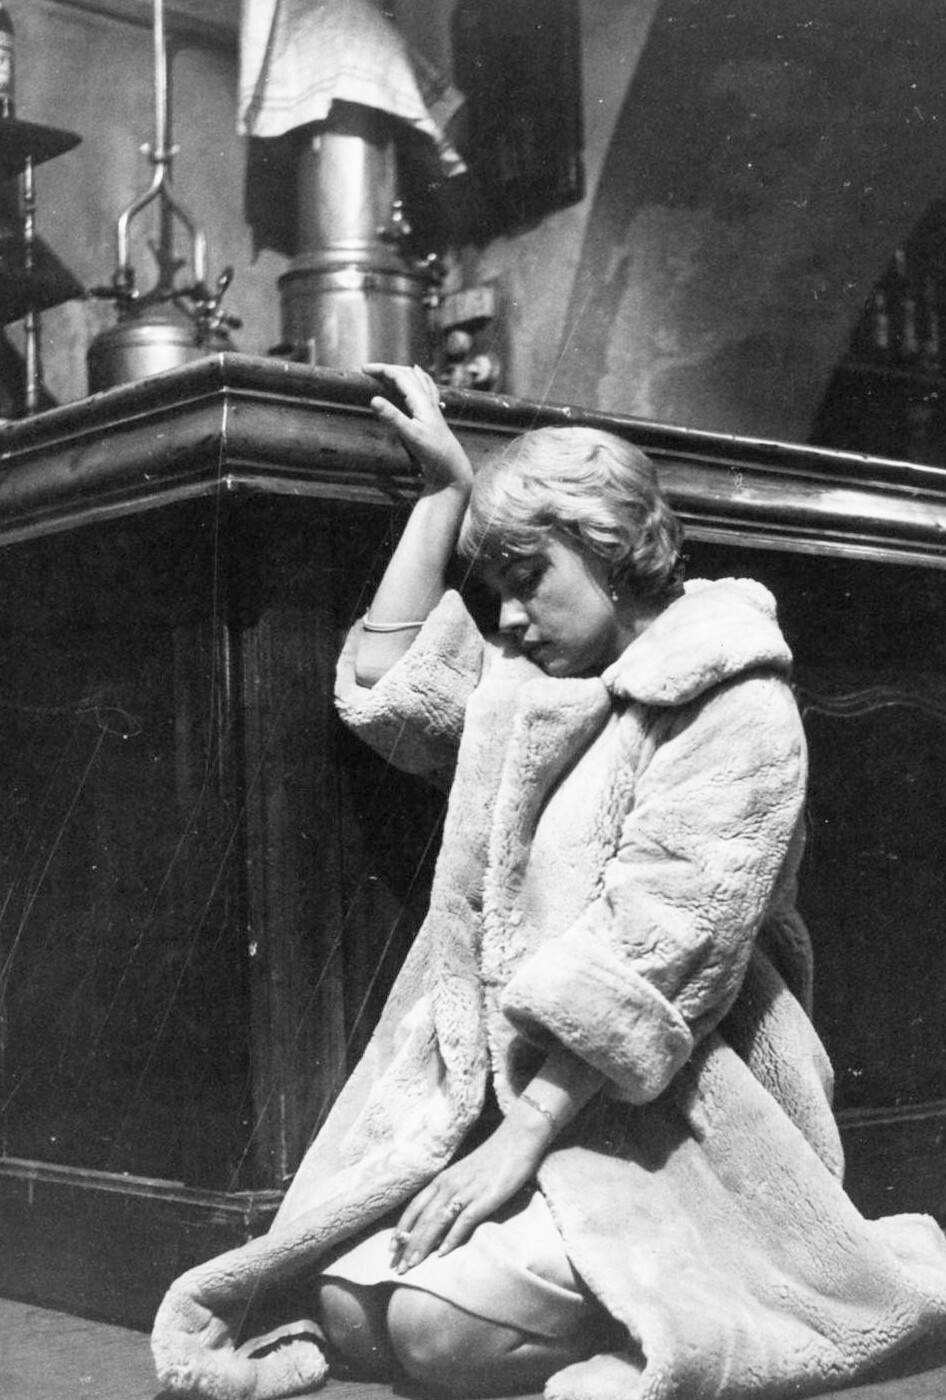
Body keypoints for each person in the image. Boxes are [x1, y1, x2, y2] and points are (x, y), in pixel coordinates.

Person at [152, 364, 946, 1400]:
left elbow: (658, 955)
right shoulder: (536, 691)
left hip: (679, 1105)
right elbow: (390, 691)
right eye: (498, 589)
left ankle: (688, 1324)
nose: (512, 618)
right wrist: (444, 494)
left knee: (433, 1335)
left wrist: (519, 1142)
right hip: (522, 1089)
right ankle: (604, 1293)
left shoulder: (733, 695)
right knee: (348, 1312)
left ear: (611, 547)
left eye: (528, 577)